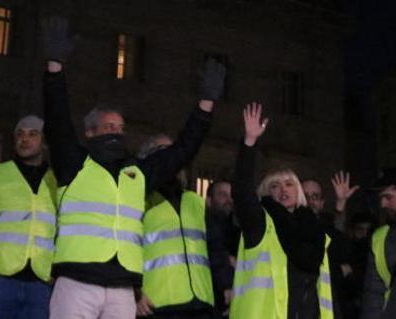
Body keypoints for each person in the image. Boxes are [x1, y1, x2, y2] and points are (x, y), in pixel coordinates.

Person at [40, 17, 224, 319]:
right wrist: (55, 69)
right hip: (76, 283)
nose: (116, 131)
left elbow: (182, 151)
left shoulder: (137, 173)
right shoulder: (74, 163)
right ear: (90, 132)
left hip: (122, 288)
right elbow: (57, 119)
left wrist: (205, 104)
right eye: (109, 126)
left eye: (121, 127)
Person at [231, 103, 331, 319]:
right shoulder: (260, 222)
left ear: (299, 190)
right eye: (275, 185)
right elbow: (241, 191)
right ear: (266, 193)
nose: (283, 189)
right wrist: (249, 143)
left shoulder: (315, 230)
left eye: (289, 183)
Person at [0, 115, 57, 319]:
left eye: (33, 134)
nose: (25, 139)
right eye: (20, 134)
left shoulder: (57, 182)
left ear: (45, 142)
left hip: (41, 280)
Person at [135, 134, 215, 318]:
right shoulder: (139, 199)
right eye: (165, 152)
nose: (174, 157)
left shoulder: (196, 201)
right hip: (156, 304)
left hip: (200, 303)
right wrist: (134, 292)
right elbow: (126, 249)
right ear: (148, 158)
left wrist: (225, 284)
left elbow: (215, 249)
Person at [304, 174, 361, 319]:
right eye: (305, 196)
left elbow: (342, 252)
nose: (310, 201)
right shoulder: (286, 229)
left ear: (322, 203)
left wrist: (341, 203)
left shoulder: (327, 230)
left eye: (315, 196)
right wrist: (338, 270)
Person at [360, 173, 396, 319]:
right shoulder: (379, 238)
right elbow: (373, 293)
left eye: (388, 197)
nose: (382, 204)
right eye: (381, 198)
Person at [205, 180, 239, 317]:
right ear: (209, 200)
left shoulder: (237, 228)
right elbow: (213, 252)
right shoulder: (206, 224)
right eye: (222, 195)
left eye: (231, 196)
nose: (229, 200)